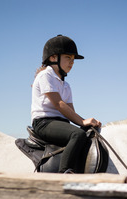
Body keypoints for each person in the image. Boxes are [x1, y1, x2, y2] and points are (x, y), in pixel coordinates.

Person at [31, 35, 102, 173]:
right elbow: (59, 104)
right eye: (68, 58)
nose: (72, 62)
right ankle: (64, 173)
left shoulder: (66, 85)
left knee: (86, 134)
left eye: (73, 59)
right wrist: (82, 121)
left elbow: (70, 111)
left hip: (61, 123)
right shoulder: (46, 75)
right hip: (44, 123)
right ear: (53, 58)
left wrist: (87, 124)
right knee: (77, 135)